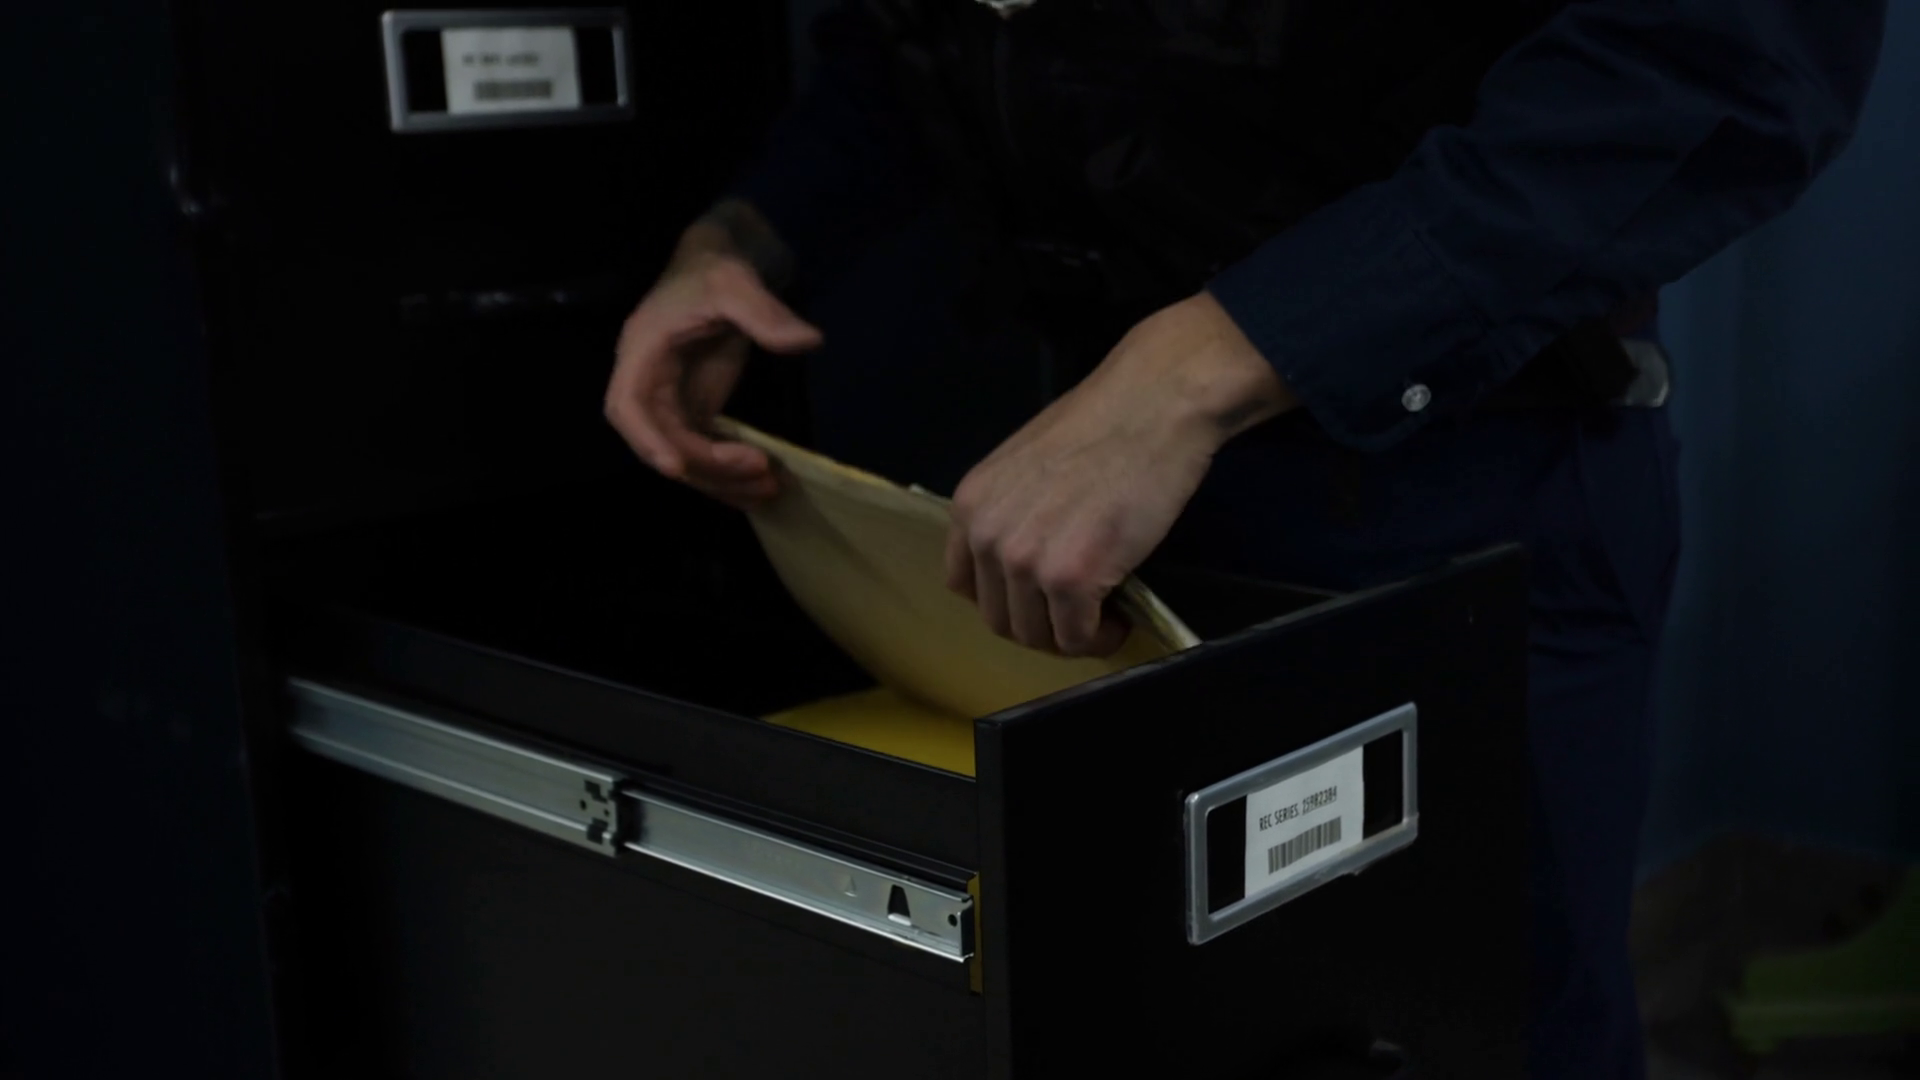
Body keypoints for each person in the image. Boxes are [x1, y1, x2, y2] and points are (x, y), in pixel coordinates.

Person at [603, 1, 1888, 1075]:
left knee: (1471, 1032)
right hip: (1096, 490)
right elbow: (913, 48)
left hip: (1449, 485)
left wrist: (1204, 367)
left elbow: (1721, 60)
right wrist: (741, 238)